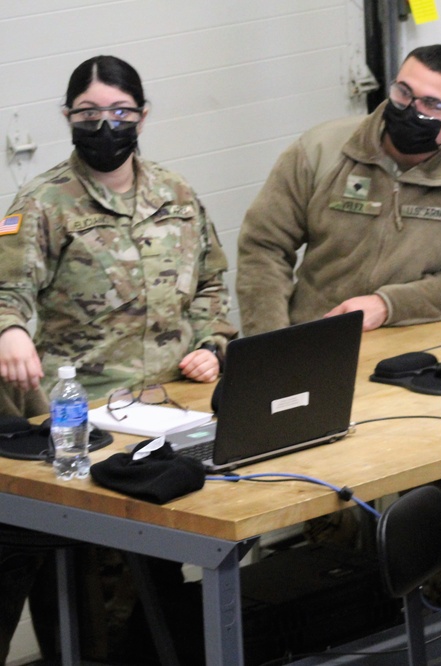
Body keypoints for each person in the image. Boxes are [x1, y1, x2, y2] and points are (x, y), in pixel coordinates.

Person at [0, 54, 237, 664]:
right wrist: (9, 333)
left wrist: (211, 345)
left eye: (120, 112)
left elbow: (212, 283)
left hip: (172, 409)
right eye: (89, 112)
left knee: (161, 572)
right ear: (67, 116)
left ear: (143, 116)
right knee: (100, 593)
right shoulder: (43, 202)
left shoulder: (175, 193)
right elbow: (8, 292)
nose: (105, 124)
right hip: (89, 419)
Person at [236, 44, 441, 335]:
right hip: (318, 334)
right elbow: (264, 245)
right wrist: (269, 341)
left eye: (433, 105)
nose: (411, 109)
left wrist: (387, 306)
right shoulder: (321, 149)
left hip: (422, 340)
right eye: (403, 93)